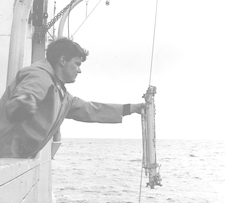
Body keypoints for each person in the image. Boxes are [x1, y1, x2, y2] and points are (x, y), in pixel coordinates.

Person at [0, 38, 144, 158]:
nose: (79, 70)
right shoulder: (40, 75)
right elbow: (27, 94)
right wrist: (23, 102)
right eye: (77, 64)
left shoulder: (61, 94)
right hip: (6, 155)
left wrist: (131, 109)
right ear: (63, 60)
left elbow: (90, 109)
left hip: (15, 157)